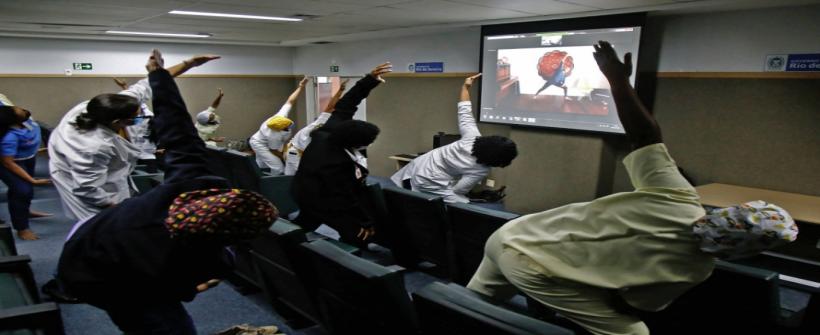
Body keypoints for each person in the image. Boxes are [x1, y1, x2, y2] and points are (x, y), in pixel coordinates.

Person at [466, 41, 799, 335]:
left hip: (510, 235)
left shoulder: (677, 197)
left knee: (469, 308)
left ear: (731, 212)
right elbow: (628, 304)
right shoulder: (695, 269)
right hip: (533, 268)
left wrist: (618, 79)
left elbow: (644, 136)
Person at [57, 49, 277, 335]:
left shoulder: (193, 181)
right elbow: (178, 288)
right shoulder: (197, 259)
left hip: (99, 232)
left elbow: (176, 125)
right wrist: (199, 282)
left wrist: (159, 75)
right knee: (160, 323)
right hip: (95, 274)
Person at [48, 54, 219, 221]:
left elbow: (148, 84)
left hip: (97, 171)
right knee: (105, 225)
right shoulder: (93, 146)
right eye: (135, 118)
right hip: (81, 184)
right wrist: (117, 208)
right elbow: (86, 188)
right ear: (117, 122)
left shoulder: (97, 107)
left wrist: (189, 64)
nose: (139, 119)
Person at [292, 62, 392, 245]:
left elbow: (347, 104)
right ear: (355, 143)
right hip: (320, 199)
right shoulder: (338, 163)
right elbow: (344, 197)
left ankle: (285, 239)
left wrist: (370, 80)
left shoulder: (328, 132)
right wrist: (364, 221)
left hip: (302, 188)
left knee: (304, 223)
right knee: (357, 233)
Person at [391, 73, 518, 203]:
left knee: (418, 188)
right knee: (462, 202)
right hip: (429, 179)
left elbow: (464, 110)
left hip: (420, 163)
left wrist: (465, 87)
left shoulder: (472, 137)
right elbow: (458, 190)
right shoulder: (481, 170)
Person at [0, 105, 51, 240]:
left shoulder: (26, 121)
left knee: (24, 191)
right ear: (14, 120)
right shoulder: (9, 137)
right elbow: (8, 162)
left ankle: (24, 211)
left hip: (28, 158)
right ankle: (21, 228)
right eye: (19, 111)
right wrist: (31, 180)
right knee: (22, 191)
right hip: (13, 164)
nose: (22, 109)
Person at [284, 79, 349, 176]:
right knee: (299, 177)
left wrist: (340, 91)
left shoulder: (327, 123)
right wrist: (340, 91)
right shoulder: (322, 123)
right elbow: (330, 107)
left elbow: (331, 106)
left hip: (300, 151)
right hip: (295, 153)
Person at [249, 77, 308, 175]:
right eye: (286, 128)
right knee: (278, 167)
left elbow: (290, 101)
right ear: (281, 129)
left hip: (265, 142)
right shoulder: (273, 135)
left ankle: (261, 180)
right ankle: (275, 183)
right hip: (260, 144)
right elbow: (274, 150)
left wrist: (301, 87)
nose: (289, 127)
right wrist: (285, 158)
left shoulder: (280, 116)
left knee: (262, 166)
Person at [113, 77, 159, 169]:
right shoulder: (131, 120)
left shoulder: (147, 118)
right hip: (136, 155)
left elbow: (133, 103)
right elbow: (132, 103)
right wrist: (124, 86)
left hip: (146, 156)